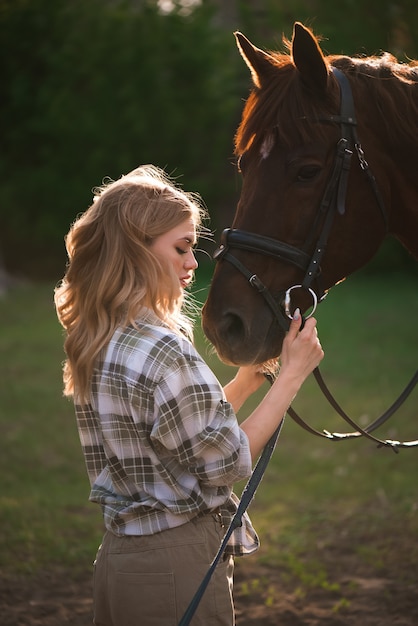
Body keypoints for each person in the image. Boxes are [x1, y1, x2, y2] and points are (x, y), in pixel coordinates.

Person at [54, 164, 324, 626]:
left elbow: (181, 438)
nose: (193, 262)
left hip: (119, 565)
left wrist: (243, 383)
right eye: (181, 248)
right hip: (175, 566)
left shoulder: (99, 338)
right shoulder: (164, 349)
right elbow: (225, 461)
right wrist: (291, 376)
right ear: (137, 249)